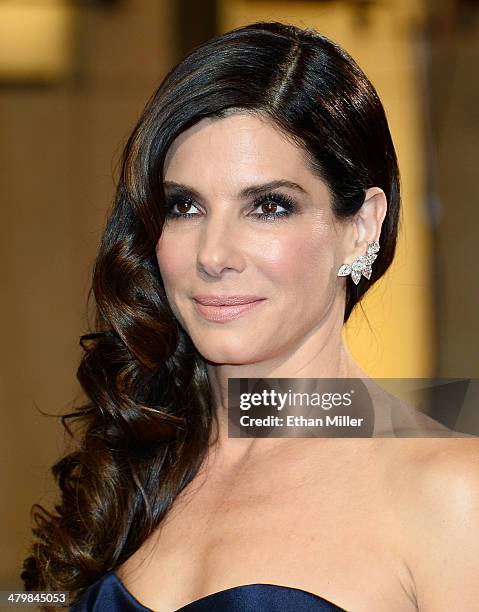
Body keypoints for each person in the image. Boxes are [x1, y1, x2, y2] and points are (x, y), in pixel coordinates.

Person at [22, 20, 479, 612]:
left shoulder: (453, 493)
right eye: (185, 206)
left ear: (360, 226)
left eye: (268, 206)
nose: (213, 255)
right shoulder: (132, 474)